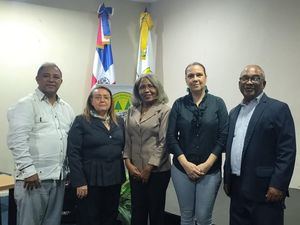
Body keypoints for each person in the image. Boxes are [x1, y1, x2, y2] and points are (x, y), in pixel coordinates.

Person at [223, 64, 296, 225]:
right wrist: (227, 178)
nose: (249, 82)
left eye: (255, 78)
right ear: (239, 83)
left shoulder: (278, 109)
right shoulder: (234, 113)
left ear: (264, 83)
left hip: (265, 190)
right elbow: (230, 147)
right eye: (244, 78)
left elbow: (287, 150)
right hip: (237, 188)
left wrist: (278, 185)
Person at [7, 63, 75, 225]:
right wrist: (28, 171)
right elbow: (17, 140)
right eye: (46, 76)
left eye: (56, 77)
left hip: (58, 179)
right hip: (34, 180)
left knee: (52, 222)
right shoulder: (26, 104)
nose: (51, 80)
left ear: (61, 81)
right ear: (37, 79)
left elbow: (70, 141)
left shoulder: (66, 108)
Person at [166, 62, 228, 225]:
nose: (195, 79)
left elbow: (223, 136)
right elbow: (171, 137)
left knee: (203, 218)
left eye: (199, 75)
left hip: (210, 170)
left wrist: (207, 164)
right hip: (181, 170)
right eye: (191, 75)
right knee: (186, 216)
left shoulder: (218, 103)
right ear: (186, 80)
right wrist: (185, 164)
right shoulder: (179, 104)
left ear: (205, 78)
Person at [67, 85, 125, 225]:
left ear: (111, 101)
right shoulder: (81, 121)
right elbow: (73, 153)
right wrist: (79, 182)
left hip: (114, 178)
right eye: (98, 97)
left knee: (110, 216)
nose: (102, 100)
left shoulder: (119, 121)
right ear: (91, 101)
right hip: (90, 179)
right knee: (90, 217)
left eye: (106, 97)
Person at [124, 74, 171, 225]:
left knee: (156, 212)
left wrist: (149, 168)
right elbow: (127, 138)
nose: (147, 90)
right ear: (138, 91)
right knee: (138, 211)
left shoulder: (164, 110)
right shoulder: (132, 110)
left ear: (157, 89)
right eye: (142, 87)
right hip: (135, 170)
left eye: (150, 86)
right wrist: (128, 163)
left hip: (157, 172)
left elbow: (164, 142)